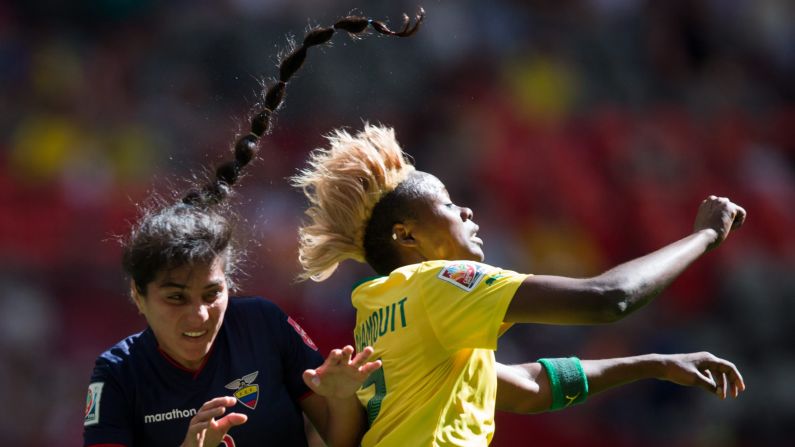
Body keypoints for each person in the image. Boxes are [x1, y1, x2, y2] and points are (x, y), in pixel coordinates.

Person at [83, 11, 424, 447]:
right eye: (175, 297)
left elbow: (342, 442)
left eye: (212, 294)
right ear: (138, 295)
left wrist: (340, 400)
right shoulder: (117, 374)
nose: (199, 315)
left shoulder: (264, 326)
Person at [290, 124, 747, 446]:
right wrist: (703, 237)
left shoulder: (381, 313)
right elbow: (609, 298)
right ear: (406, 235)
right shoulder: (440, 285)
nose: (466, 212)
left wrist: (652, 364)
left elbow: (528, 389)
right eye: (448, 205)